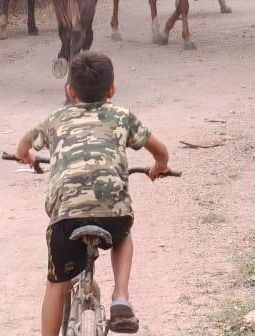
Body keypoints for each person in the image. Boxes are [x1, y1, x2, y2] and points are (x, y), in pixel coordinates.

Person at [15, 52, 171, 336]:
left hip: (66, 218)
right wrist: (159, 166)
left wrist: (23, 155)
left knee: (56, 285)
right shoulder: (122, 116)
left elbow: (24, 142)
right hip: (112, 214)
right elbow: (160, 150)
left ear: (70, 90)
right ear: (112, 90)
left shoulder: (56, 118)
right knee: (123, 235)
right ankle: (121, 296)